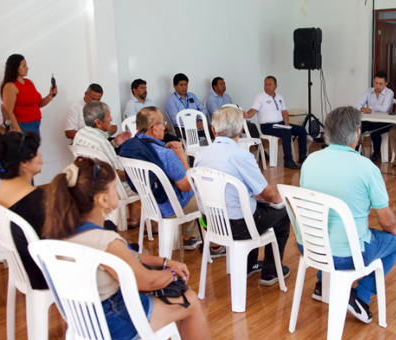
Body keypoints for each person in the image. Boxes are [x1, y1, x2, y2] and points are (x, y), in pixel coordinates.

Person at [43, 157, 239, 340]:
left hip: (82, 320)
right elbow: (147, 282)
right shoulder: (105, 240)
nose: (118, 190)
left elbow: (126, 256)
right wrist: (169, 274)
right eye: (114, 187)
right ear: (102, 199)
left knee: (175, 295)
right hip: (116, 322)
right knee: (190, 300)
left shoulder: (58, 234)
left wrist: (163, 260)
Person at [297, 106, 396, 323]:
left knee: (329, 228)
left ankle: (322, 284)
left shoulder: (310, 161)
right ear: (357, 133)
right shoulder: (366, 168)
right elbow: (385, 220)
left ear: (327, 132)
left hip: (310, 247)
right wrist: (395, 231)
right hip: (347, 256)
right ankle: (360, 297)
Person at [195, 107, 291, 285]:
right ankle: (270, 272)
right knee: (282, 215)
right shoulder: (242, 156)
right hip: (238, 227)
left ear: (213, 130)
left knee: (249, 206)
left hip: (210, 223)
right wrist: (280, 202)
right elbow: (266, 193)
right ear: (241, 129)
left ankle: (249, 265)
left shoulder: (200, 155)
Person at [119, 107, 224, 257]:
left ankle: (191, 236)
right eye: (163, 124)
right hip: (170, 207)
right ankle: (215, 245)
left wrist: (164, 147)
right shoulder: (167, 154)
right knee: (210, 194)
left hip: (150, 203)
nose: (165, 127)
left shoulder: (131, 146)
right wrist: (181, 156)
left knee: (186, 188)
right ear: (154, 128)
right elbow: (187, 186)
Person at [0, 131, 47, 290]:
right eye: (35, 153)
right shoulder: (37, 200)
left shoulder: (0, 191)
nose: (40, 155)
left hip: (24, 269)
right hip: (43, 274)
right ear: (23, 163)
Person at [73, 101, 138, 227]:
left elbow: (99, 154)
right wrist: (140, 175)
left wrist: (113, 143)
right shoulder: (101, 142)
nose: (111, 119)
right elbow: (117, 174)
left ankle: (132, 217)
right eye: (108, 116)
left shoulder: (80, 134)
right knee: (150, 183)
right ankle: (152, 225)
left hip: (89, 184)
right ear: (98, 122)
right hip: (111, 188)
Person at [244, 76, 307, 170]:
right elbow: (253, 110)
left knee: (301, 130)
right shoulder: (260, 97)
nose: (267, 87)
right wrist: (247, 115)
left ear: (275, 86)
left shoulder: (279, 97)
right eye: (265, 84)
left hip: (281, 124)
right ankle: (288, 160)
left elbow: (284, 112)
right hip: (267, 126)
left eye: (270, 84)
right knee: (286, 132)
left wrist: (286, 122)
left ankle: (302, 157)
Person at [1, 54, 58, 134]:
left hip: (35, 124)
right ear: (15, 67)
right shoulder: (10, 86)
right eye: (24, 66)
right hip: (22, 125)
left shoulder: (29, 82)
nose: (27, 68)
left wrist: (50, 96)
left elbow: (37, 104)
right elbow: (8, 111)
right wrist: (18, 131)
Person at [356, 71, 394, 162]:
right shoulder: (368, 91)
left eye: (381, 84)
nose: (378, 86)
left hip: (385, 122)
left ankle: (376, 153)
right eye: (376, 83)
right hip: (370, 120)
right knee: (356, 128)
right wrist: (362, 108)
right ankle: (356, 152)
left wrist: (369, 108)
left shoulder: (389, 93)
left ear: (386, 84)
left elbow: (385, 108)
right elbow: (358, 104)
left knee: (375, 132)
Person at [165, 73, 210, 140]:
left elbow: (203, 109)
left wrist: (200, 120)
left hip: (199, 125)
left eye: (186, 84)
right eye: (181, 85)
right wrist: (193, 124)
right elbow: (176, 121)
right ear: (175, 86)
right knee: (196, 135)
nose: (184, 87)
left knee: (214, 130)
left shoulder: (192, 96)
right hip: (182, 128)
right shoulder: (171, 101)